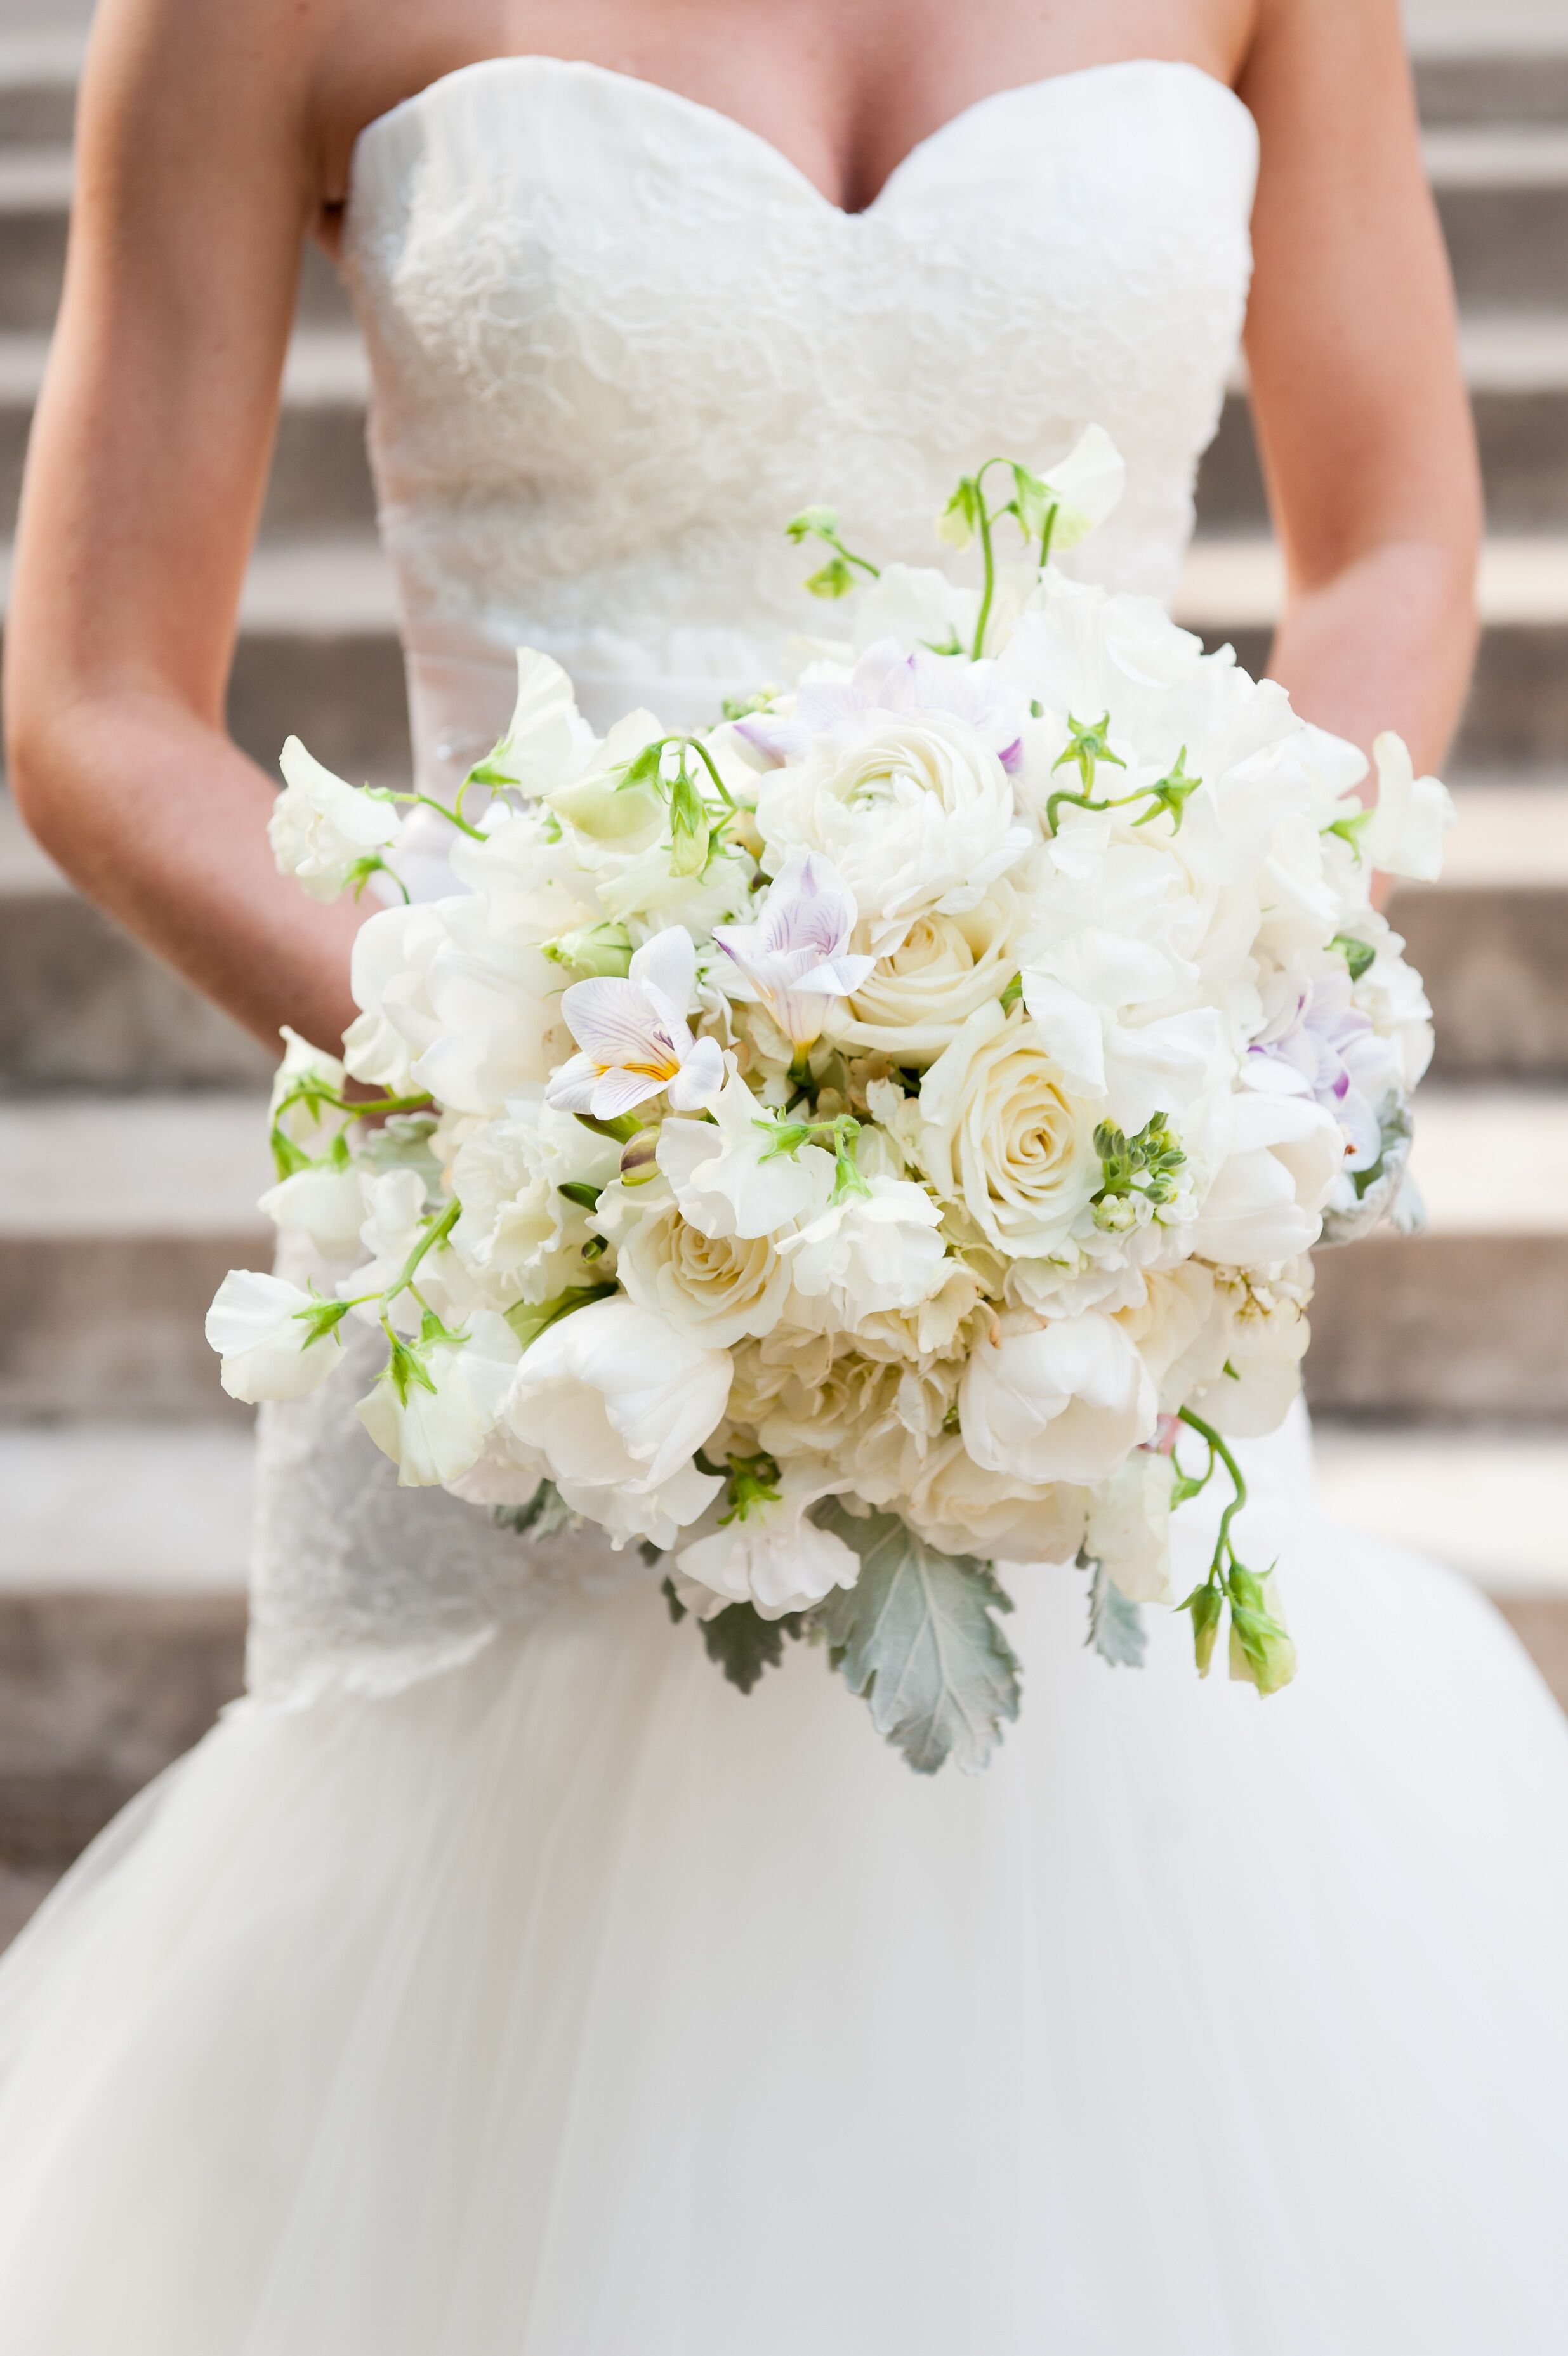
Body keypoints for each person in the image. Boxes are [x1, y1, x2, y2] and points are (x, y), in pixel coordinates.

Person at [2, 1, 1565, 2347]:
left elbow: (1400, 539)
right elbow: (96, 693)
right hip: (535, 1291)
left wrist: (1175, 973)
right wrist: (537, 1061)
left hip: (1085, 1253)